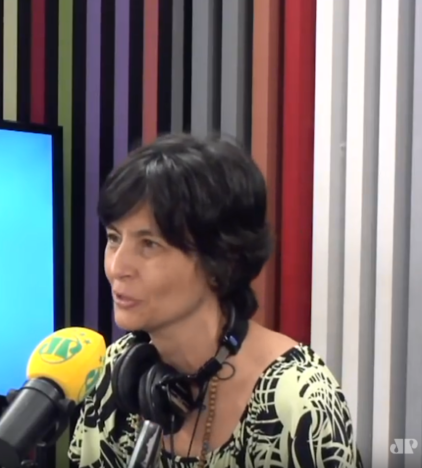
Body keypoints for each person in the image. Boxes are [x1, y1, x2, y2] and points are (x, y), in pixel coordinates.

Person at [69, 134, 362, 467]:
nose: (117, 267)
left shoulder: (300, 399)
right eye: (114, 238)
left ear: (220, 262)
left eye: (149, 244)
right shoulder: (116, 369)